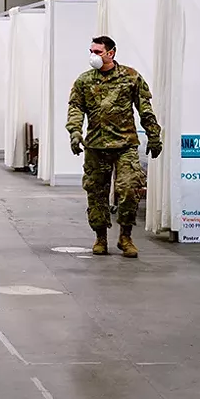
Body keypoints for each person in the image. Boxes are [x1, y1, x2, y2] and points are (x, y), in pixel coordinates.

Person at [67, 36, 162, 259]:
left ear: (111, 53)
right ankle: (100, 237)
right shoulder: (84, 81)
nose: (93, 56)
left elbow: (145, 109)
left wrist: (154, 136)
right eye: (91, 51)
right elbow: (75, 108)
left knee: (129, 189)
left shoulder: (131, 77)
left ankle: (125, 237)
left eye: (98, 52)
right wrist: (75, 132)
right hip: (96, 145)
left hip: (125, 145)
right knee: (96, 193)